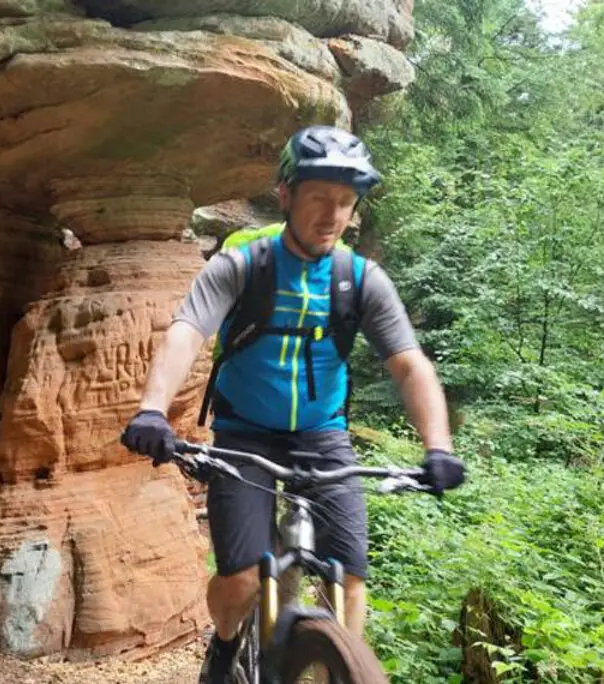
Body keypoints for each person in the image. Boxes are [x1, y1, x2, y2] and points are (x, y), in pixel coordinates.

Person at [121, 125, 465, 683]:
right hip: (244, 434)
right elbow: (187, 330)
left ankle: (336, 666)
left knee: (349, 578)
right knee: (241, 581)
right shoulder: (243, 267)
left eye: (346, 203)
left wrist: (439, 447)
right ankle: (226, 647)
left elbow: (408, 362)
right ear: (285, 195)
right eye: (320, 199)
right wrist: (152, 409)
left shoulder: (359, 279)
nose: (334, 216)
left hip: (322, 434)